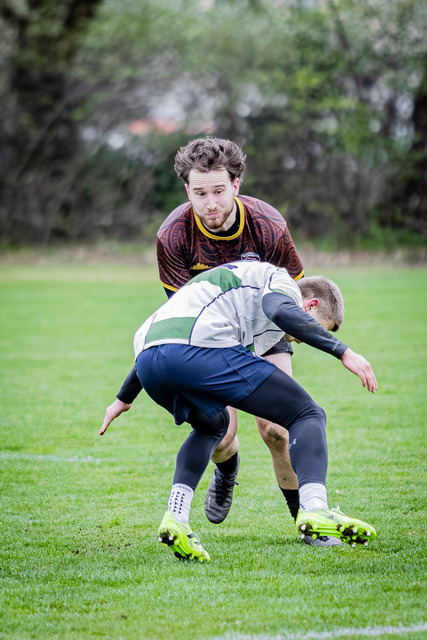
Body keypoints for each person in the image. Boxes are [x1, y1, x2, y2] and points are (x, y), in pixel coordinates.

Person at [99, 261, 378, 563]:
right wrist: (343, 352)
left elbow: (168, 337)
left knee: (213, 425)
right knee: (306, 414)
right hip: (198, 346)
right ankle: (315, 507)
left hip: (147, 358)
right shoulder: (281, 281)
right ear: (310, 305)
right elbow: (281, 311)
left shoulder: (225, 288)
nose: (301, 338)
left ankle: (175, 517)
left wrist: (124, 397)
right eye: (316, 327)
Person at [156, 136, 313, 541]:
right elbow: (184, 314)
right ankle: (227, 471)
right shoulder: (173, 235)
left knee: (277, 429)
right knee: (222, 436)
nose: (210, 203)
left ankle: (306, 521)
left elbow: (291, 293)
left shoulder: (267, 225)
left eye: (219, 191)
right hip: (210, 335)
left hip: (264, 325)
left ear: (236, 185)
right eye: (200, 193)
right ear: (187, 190)